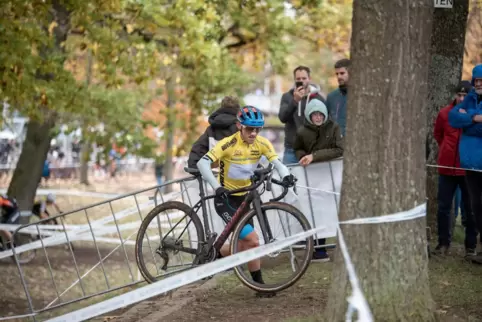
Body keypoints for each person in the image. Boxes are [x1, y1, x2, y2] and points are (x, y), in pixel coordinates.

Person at [197, 105, 296, 295]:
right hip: (226, 199)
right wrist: (216, 187)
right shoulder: (228, 143)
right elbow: (203, 163)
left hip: (245, 199)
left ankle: (219, 255)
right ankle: (259, 284)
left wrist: (286, 176)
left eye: (257, 129)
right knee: (253, 240)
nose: (254, 133)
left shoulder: (262, 143)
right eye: (250, 128)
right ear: (239, 126)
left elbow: (277, 163)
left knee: (248, 245)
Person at [293, 98, 343, 262]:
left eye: (320, 114)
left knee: (327, 208)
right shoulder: (302, 131)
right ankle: (316, 248)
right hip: (311, 177)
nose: (318, 117)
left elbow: (339, 149)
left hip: (329, 174)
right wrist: (302, 157)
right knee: (313, 210)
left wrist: (315, 156)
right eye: (314, 115)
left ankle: (322, 247)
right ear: (309, 116)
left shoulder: (333, 127)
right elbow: (297, 147)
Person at [433, 80, 476, 256]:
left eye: (465, 96)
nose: (461, 98)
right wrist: (447, 151)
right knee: (443, 206)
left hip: (468, 169)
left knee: (470, 208)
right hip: (447, 168)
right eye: (458, 95)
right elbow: (438, 135)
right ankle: (443, 243)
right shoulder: (444, 114)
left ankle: (471, 246)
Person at [449, 64, 482, 258]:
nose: (479, 84)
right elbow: (453, 118)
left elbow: (470, 127)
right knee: (474, 206)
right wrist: (476, 118)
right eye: (477, 81)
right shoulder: (469, 98)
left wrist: (468, 121)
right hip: (470, 164)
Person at [278, 66, 325, 165]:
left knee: (313, 180)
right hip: (291, 150)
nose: (301, 81)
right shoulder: (287, 97)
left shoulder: (318, 98)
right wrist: (295, 101)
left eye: (304, 78)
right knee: (288, 178)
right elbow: (283, 118)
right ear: (295, 80)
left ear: (309, 79)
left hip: (311, 150)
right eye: (298, 79)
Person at [188, 96, 240, 169]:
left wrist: (196, 168)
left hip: (213, 177)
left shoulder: (210, 130)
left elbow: (195, 156)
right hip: (237, 177)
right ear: (238, 109)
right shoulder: (242, 130)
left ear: (221, 108)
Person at [326, 58, 350, 136]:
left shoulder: (359, 97)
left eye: (342, 73)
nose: (339, 77)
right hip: (334, 143)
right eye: (337, 74)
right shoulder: (331, 97)